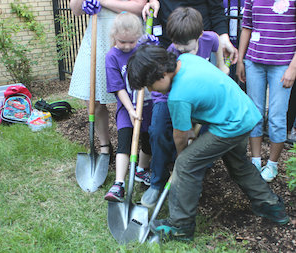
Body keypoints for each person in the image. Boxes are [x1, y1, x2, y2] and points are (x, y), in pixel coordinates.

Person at [127, 44, 289, 242]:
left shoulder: (178, 97)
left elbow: (181, 137)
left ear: (161, 74)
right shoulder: (187, 60)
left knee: (186, 164)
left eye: (149, 85)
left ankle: (181, 226)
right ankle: (271, 206)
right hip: (243, 113)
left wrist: (183, 157)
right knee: (238, 163)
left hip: (230, 124)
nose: (150, 90)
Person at [140, 6, 229, 208]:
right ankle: (157, 182)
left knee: (206, 136)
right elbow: (173, 91)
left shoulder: (211, 38)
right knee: (158, 131)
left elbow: (218, 49)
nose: (183, 51)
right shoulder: (172, 53)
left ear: (199, 35)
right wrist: (184, 130)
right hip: (171, 96)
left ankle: (191, 180)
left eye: (188, 47)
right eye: (179, 47)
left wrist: (222, 66)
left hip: (199, 97)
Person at [69, 0, 146, 159]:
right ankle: (105, 146)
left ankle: (139, 145)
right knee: (94, 99)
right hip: (98, 37)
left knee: (135, 97)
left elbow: (138, 7)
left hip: (128, 37)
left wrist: (102, 1)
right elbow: (75, 10)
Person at [236, 0, 296, 182]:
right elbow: (247, 26)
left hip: (283, 65)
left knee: (277, 116)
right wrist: (240, 60)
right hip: (254, 62)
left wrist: (293, 67)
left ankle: (272, 165)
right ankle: (255, 161)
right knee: (255, 113)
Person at [104, 12, 152, 201]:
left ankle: (141, 170)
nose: (127, 46)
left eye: (132, 42)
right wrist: (131, 110)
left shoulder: (142, 49)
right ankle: (119, 184)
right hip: (127, 107)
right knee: (124, 143)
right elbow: (118, 88)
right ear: (114, 36)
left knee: (148, 142)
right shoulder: (112, 57)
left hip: (148, 105)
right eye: (122, 41)